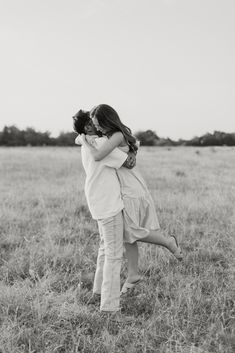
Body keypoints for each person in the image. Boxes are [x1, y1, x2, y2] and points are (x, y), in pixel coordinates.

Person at [81, 104, 183, 295]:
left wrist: (84, 140)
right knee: (127, 234)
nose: (98, 128)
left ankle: (167, 242)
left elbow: (98, 156)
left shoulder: (117, 135)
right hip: (126, 188)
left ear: (107, 120)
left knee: (130, 230)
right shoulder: (112, 136)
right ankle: (133, 275)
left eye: (98, 124)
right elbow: (128, 150)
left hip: (130, 189)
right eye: (94, 125)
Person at [73, 110, 136, 323]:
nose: (97, 126)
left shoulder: (86, 142)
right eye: (93, 123)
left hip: (97, 200)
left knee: (104, 249)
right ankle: (110, 309)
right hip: (108, 202)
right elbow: (128, 162)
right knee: (113, 255)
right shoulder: (99, 145)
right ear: (87, 128)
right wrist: (128, 144)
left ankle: (98, 292)